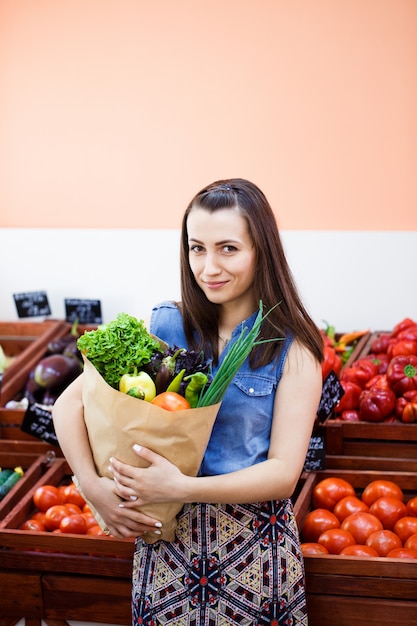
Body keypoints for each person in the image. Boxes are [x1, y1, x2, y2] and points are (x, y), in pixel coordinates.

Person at [53, 178, 323, 625]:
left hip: (254, 556)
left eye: (228, 249)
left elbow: (282, 474)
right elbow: (68, 406)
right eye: (197, 248)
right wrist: (93, 487)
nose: (209, 266)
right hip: (165, 550)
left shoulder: (292, 350)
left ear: (263, 251)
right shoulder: (165, 326)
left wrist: (184, 488)